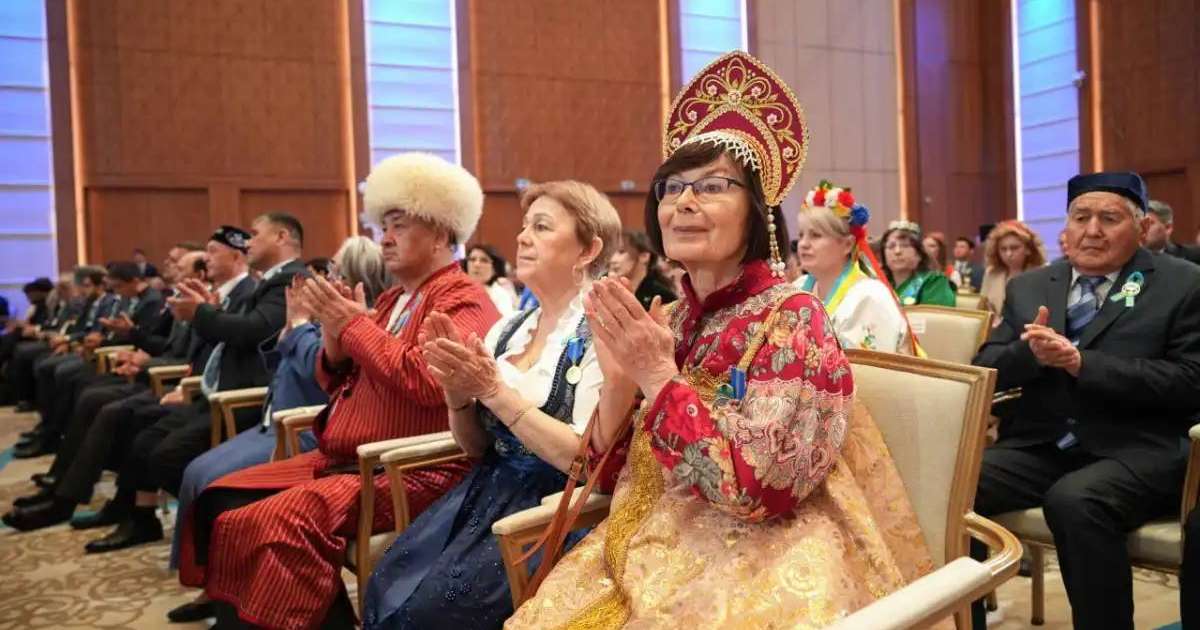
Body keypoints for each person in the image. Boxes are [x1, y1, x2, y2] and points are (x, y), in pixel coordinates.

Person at [508, 51, 941, 629]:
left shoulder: (793, 320)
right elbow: (622, 477)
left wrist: (658, 378)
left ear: (757, 212)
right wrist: (620, 383)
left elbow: (759, 490)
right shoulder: (678, 317)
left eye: (712, 186)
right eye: (672, 187)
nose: (684, 202)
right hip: (654, 544)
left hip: (767, 553)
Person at [176, 152, 500, 630]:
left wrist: (351, 327)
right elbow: (337, 383)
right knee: (222, 499)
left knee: (273, 523)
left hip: (411, 468)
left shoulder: (462, 296)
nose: (383, 239)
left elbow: (429, 382)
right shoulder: (393, 298)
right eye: (382, 226)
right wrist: (335, 341)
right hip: (344, 456)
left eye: (398, 225)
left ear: (441, 232)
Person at [363, 180, 622, 628]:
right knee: (388, 583)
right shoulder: (509, 328)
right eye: (524, 226)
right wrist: (458, 396)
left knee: (433, 611)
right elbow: (476, 448)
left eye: (542, 227)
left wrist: (494, 392)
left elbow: (584, 463)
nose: (522, 237)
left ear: (588, 250)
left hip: (552, 510)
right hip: (485, 490)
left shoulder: (601, 332)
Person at [970, 172, 1200, 630]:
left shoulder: (1183, 283)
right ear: (1066, 227)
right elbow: (987, 366)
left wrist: (1082, 363)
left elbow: (1190, 381)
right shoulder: (1032, 287)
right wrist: (1029, 354)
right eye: (1081, 217)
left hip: (1139, 446)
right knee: (951, 481)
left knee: (1076, 501)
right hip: (1042, 443)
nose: (1092, 230)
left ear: (1141, 226)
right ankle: (960, 620)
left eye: (1109, 218)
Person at [163, 236, 388, 624]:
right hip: (291, 421)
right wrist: (295, 327)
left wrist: (299, 327)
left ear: (357, 278)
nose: (325, 278)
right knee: (210, 485)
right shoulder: (335, 317)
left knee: (227, 494)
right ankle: (221, 595)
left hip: (312, 432)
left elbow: (324, 377)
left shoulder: (362, 318)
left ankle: (245, 603)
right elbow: (299, 363)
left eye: (335, 271)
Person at [82, 218, 306, 554]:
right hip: (219, 391)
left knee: (169, 456)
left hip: (242, 400)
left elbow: (252, 332)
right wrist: (208, 312)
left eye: (255, 235)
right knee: (144, 435)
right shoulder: (269, 282)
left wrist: (201, 313)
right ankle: (172, 529)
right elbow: (224, 341)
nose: (249, 243)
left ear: (282, 236)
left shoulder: (290, 279)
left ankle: (221, 543)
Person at [795, 180, 915, 354]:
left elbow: (871, 372)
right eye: (801, 235)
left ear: (847, 244)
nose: (803, 244)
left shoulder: (869, 297)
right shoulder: (798, 287)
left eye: (816, 235)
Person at [978, 220, 1047, 316]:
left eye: (1014, 248)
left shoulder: (1041, 273)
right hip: (995, 328)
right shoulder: (991, 273)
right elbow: (982, 308)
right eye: (1003, 249)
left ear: (1028, 249)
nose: (1008, 254)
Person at [881, 220, 956, 306]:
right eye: (891, 246)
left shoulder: (933, 282)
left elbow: (937, 317)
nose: (897, 251)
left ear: (919, 254)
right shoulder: (878, 285)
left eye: (905, 245)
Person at [607, 230, 677, 309]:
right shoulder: (606, 289)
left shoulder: (662, 296)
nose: (612, 260)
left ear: (644, 256)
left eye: (621, 252)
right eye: (611, 253)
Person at [465, 243, 519, 315]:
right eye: (472, 259)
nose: (476, 264)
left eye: (484, 260)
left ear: (495, 269)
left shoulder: (500, 296)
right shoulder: (459, 290)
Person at [1145, 200, 1200, 265]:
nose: (1142, 228)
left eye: (1150, 223)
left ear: (1168, 228)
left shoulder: (1192, 257)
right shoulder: (1132, 257)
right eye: (1141, 222)